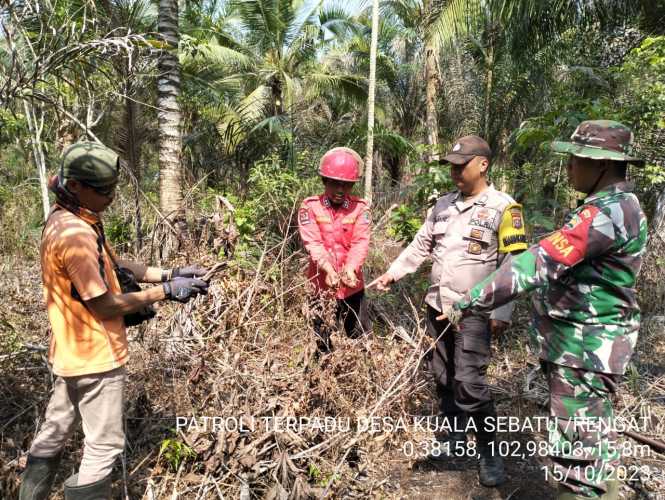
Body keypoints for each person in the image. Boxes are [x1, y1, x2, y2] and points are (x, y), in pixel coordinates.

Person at [439, 121, 647, 500]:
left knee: (578, 455)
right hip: (587, 347)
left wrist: (473, 298)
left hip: (585, 349)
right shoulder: (620, 206)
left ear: (600, 164)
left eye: (575, 160)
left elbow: (537, 262)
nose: (569, 168)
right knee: (592, 441)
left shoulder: (605, 213)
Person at [19, 142, 210, 500]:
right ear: (76, 186)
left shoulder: (69, 216)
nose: (110, 197)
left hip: (70, 354)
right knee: (103, 445)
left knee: (55, 429)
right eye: (103, 191)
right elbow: (105, 306)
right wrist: (167, 292)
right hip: (96, 357)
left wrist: (171, 272)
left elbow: (116, 267)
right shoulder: (74, 234)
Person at [369, 135, 527, 487]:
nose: (455, 172)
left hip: (475, 311)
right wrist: (394, 272)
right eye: (452, 166)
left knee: (470, 382)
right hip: (437, 305)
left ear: (483, 165)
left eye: (462, 165)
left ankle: (489, 452)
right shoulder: (442, 205)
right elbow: (420, 245)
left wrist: (503, 311)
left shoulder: (505, 207)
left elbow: (514, 262)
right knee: (443, 375)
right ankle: (455, 436)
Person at [298, 147, 371, 353]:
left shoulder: (361, 208)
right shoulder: (310, 207)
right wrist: (328, 270)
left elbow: (360, 243)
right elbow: (313, 243)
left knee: (360, 340)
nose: (340, 189)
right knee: (322, 343)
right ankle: (323, 381)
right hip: (320, 287)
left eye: (346, 185)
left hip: (352, 288)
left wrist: (351, 269)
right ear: (325, 181)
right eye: (335, 183)